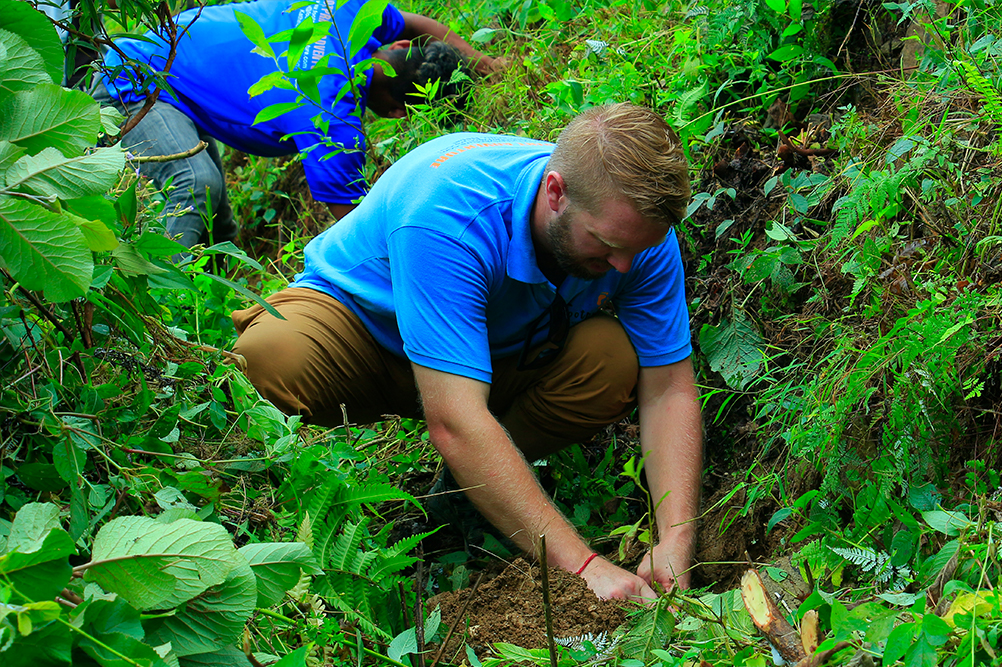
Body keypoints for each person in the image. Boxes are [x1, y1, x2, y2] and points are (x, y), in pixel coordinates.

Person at [231, 103, 702, 602]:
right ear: (556, 192)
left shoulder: (631, 228)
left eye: (637, 249)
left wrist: (677, 535)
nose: (624, 266)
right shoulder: (450, 210)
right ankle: (251, 517)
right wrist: (584, 568)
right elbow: (454, 420)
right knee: (268, 358)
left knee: (609, 360)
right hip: (364, 332)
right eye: (606, 246)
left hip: (486, 350)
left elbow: (669, 388)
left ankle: (468, 497)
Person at [94, 0, 499, 251]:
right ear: (397, 113)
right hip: (132, 77)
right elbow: (359, 224)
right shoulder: (330, 121)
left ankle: (208, 301)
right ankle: (164, 308)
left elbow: (420, 24)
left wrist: (490, 66)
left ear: (395, 46)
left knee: (219, 226)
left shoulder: (352, 10)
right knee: (194, 182)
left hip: (166, 59)